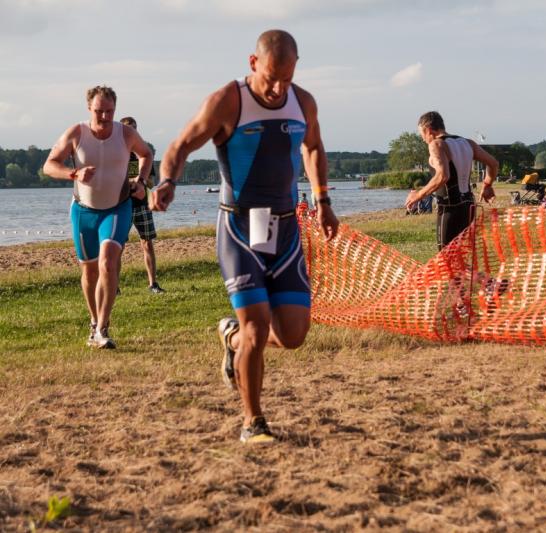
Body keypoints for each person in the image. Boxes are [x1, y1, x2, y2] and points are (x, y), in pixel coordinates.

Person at [151, 30, 339, 444]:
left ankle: (230, 337)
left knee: (293, 335)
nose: (278, 89)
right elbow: (181, 145)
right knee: (256, 328)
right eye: (271, 78)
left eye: (287, 79)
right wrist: (167, 181)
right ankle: (253, 421)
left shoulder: (303, 101)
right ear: (253, 63)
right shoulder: (228, 101)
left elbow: (313, 147)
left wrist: (323, 200)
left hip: (284, 228)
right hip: (239, 227)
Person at [43, 86, 152, 349]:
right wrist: (74, 174)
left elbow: (146, 154)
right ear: (89, 108)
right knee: (89, 271)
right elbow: (49, 165)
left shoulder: (125, 134)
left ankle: (103, 327)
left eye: (109, 111)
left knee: (108, 263)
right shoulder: (76, 133)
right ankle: (93, 322)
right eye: (99, 111)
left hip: (117, 208)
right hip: (83, 211)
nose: (104, 116)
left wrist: (141, 181)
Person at [404, 111, 499, 250]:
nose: (423, 139)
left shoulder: (436, 144)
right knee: (463, 255)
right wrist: (487, 184)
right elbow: (494, 164)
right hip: (468, 207)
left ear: (428, 130)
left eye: (422, 134)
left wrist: (418, 195)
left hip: (450, 208)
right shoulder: (468, 143)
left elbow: (443, 176)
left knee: (445, 257)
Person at [119, 116, 165, 294]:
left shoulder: (143, 153)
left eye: (135, 128)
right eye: (129, 128)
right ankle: (114, 287)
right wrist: (132, 181)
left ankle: (153, 284)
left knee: (147, 243)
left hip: (142, 205)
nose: (133, 131)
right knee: (118, 247)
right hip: (122, 205)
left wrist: (140, 181)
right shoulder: (117, 153)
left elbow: (152, 181)